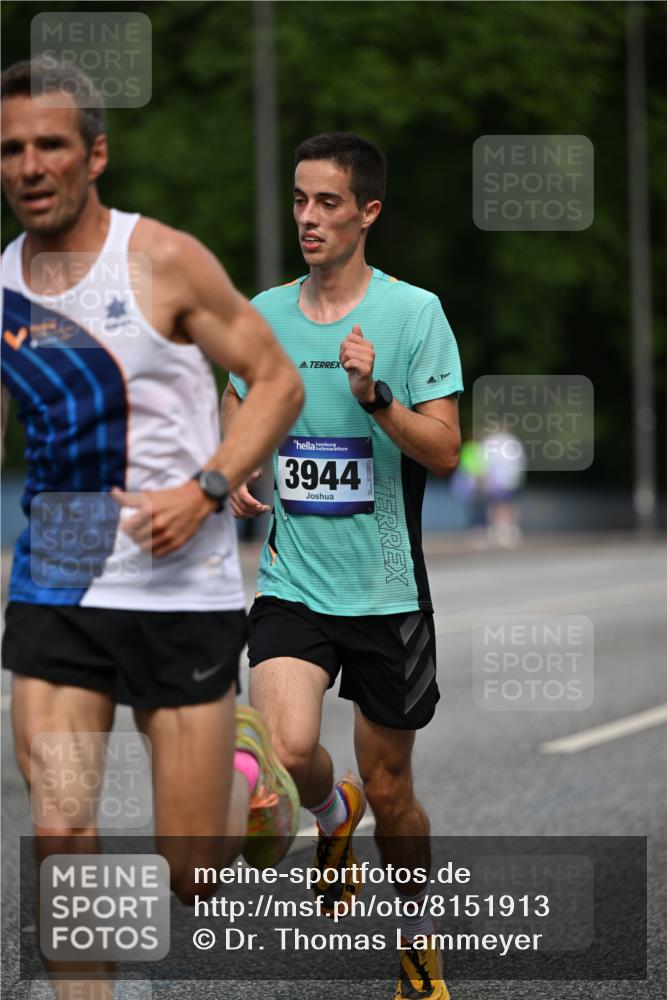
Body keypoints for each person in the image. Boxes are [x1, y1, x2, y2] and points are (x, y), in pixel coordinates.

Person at [1, 57, 303, 996]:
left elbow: (278, 382)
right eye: (11, 148)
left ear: (94, 154)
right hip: (57, 583)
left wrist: (209, 486)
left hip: (181, 591)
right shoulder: (1, 286)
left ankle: (256, 778)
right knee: (61, 830)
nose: (29, 164)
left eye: (50, 144)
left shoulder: (163, 258)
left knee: (195, 874)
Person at [223, 133, 463, 1000]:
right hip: (293, 580)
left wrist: (376, 397)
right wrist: (242, 462)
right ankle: (331, 812)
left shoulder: (413, 315)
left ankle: (416, 942)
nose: (308, 218)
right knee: (285, 748)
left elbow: (443, 450)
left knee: (395, 791)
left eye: (327, 203)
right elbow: (239, 396)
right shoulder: (264, 312)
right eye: (298, 200)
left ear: (368, 211)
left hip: (388, 592)